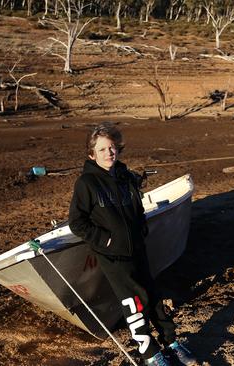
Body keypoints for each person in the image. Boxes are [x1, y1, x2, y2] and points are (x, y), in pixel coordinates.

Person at [67, 122, 197, 366]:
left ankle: (171, 342)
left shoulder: (126, 177)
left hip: (138, 249)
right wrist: (105, 240)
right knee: (134, 303)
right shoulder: (86, 184)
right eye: (103, 149)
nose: (109, 153)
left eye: (112, 148)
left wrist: (141, 231)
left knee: (153, 295)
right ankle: (150, 354)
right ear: (91, 153)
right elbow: (77, 222)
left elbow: (137, 211)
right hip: (113, 256)